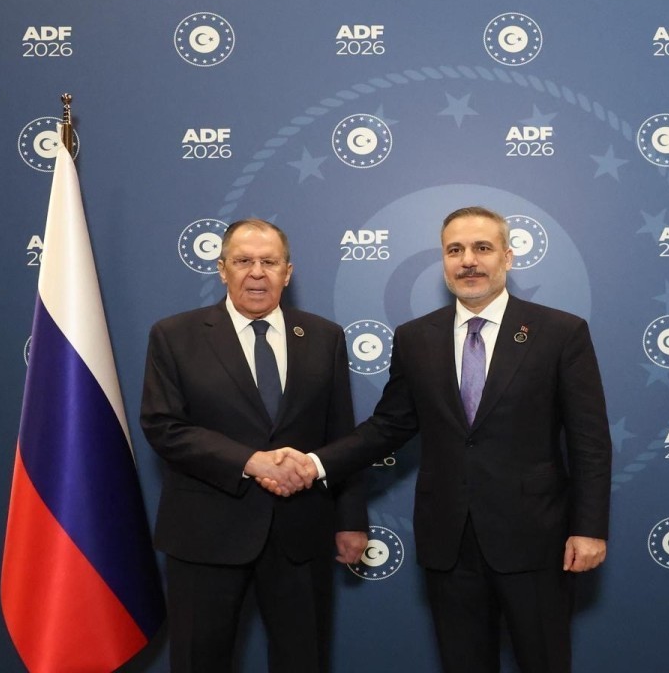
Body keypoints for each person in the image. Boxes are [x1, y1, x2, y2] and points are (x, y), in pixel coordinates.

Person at [266, 206, 611, 673]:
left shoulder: (560, 332)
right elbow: (388, 426)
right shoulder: (415, 338)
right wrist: (315, 463)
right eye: (455, 250)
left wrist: (588, 528)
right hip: (448, 543)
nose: (468, 260)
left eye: (482, 248)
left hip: (535, 539)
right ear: (444, 261)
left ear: (508, 257)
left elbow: (590, 441)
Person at [141, 218, 368, 673]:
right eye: (243, 261)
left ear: (288, 271)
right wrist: (251, 461)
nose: (257, 273)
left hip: (300, 533)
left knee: (303, 661)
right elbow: (164, 426)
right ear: (222, 269)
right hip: (206, 534)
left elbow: (342, 433)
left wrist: (350, 519)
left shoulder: (324, 336)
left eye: (270, 261)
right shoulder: (175, 335)